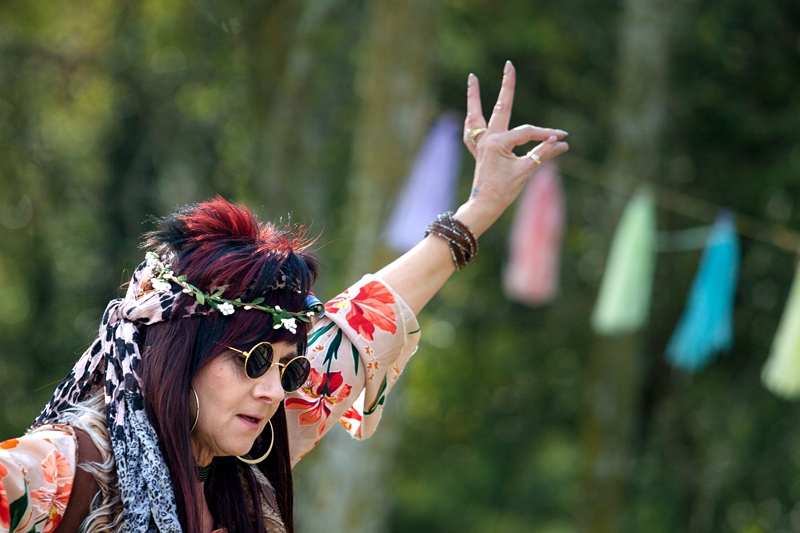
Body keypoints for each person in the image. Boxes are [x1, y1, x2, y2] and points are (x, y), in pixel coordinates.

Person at [0, 61, 568, 533]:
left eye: (287, 368)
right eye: (251, 361)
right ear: (180, 350)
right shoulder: (63, 469)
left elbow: (362, 321)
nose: (273, 390)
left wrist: (482, 208)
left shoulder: (253, 446)